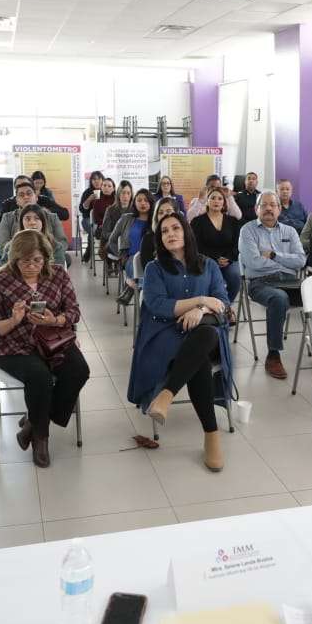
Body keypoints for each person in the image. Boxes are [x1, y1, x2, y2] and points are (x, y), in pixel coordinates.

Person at [129, 213, 233, 472]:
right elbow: (156, 304)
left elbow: (223, 302)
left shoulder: (207, 265)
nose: (171, 234)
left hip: (201, 330)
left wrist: (202, 311)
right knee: (199, 355)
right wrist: (200, 300)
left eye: (176, 228)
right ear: (160, 239)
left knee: (204, 336)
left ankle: (166, 395)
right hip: (164, 333)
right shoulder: (154, 268)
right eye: (164, 231)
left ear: (186, 232)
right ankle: (212, 434)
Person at [0, 230, 89, 467]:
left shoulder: (58, 275)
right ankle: (40, 438)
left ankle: (34, 420)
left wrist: (55, 320)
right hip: (13, 346)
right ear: (14, 259)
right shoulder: (0, 281)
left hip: (53, 339)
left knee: (79, 370)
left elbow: (74, 312)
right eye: (25, 261)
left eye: (37, 260)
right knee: (39, 377)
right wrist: (13, 320)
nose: (31, 266)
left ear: (46, 258)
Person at [239, 191, 312, 378]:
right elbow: (253, 262)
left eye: (272, 205)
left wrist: (274, 255)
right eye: (264, 205)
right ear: (256, 209)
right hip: (261, 282)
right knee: (279, 298)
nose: (268, 208)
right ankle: (273, 355)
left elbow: (300, 261)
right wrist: (284, 262)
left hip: (290, 281)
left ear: (279, 208)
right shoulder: (247, 230)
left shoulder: (289, 231)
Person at [0, 181, 67, 265]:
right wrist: (24, 256)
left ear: (36, 197)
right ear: (17, 201)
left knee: (65, 259)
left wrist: (41, 257)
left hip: (47, 258)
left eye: (29, 194)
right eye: (21, 195)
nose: (26, 197)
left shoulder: (52, 217)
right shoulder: (7, 218)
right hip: (18, 259)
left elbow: (62, 242)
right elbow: (2, 245)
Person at [190, 187, 241, 303]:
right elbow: (196, 246)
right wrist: (215, 258)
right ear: (207, 201)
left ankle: (225, 307)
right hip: (206, 259)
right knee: (206, 280)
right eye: (213, 198)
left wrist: (227, 258)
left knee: (235, 277)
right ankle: (212, 307)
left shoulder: (232, 221)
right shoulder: (197, 221)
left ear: (224, 203)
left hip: (229, 259)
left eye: (220, 199)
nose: (216, 201)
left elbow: (237, 244)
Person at [108, 188, 153, 305]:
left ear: (151, 203)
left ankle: (131, 286)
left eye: (146, 200)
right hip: (130, 258)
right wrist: (120, 256)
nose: (143, 203)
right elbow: (112, 240)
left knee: (148, 265)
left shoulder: (155, 220)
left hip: (151, 259)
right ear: (134, 202)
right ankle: (143, 292)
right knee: (135, 259)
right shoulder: (126, 218)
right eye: (139, 200)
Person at [0, 203, 67, 266]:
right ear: (21, 223)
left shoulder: (55, 246)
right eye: (27, 219)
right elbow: (5, 271)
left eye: (37, 218)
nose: (32, 222)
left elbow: (58, 273)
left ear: (43, 222)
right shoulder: (10, 247)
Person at [0, 174, 69, 222]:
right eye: (19, 187)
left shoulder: (44, 200)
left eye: (27, 186)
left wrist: (45, 211)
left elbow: (65, 214)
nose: (25, 196)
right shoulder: (8, 204)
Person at [137, 196, 176, 265]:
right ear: (156, 217)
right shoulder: (148, 239)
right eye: (161, 213)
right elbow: (148, 268)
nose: (164, 215)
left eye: (168, 211)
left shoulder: (182, 235)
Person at [99, 181, 132, 259]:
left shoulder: (135, 210)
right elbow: (105, 233)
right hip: (114, 242)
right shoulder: (110, 210)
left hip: (131, 242)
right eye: (123, 193)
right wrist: (118, 236)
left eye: (128, 193)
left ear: (131, 195)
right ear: (118, 194)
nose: (125, 196)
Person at [78, 170, 105, 261]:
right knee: (92, 227)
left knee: (98, 228)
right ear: (91, 181)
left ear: (102, 180)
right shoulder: (87, 192)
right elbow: (82, 209)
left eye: (99, 179)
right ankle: (92, 249)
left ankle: (91, 251)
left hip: (103, 220)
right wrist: (89, 199)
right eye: (94, 179)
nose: (96, 181)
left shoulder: (106, 191)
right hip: (88, 219)